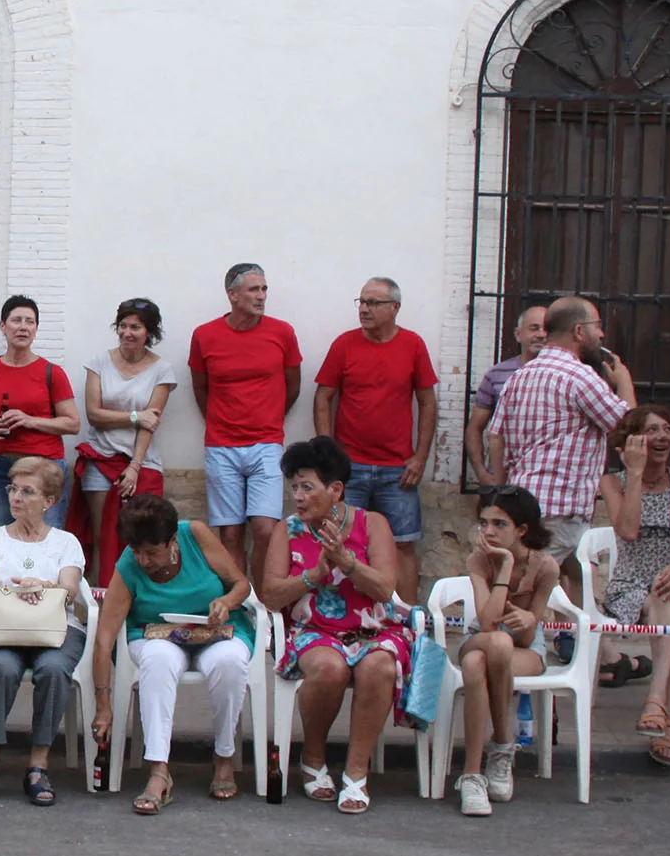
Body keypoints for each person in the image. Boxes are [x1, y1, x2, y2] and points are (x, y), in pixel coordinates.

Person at [492, 296, 638, 680]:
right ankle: (518, 680)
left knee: (573, 572)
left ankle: (602, 656)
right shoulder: (580, 376)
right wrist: (624, 383)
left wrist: (499, 493)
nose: (601, 333)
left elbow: (496, 436)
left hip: (522, 502)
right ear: (579, 331)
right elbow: (628, 427)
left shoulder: (520, 376)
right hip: (558, 509)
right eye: (597, 326)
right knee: (527, 596)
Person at [257, 436, 404, 815]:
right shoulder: (286, 531)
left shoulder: (373, 524)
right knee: (328, 667)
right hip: (314, 632)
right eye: (294, 487)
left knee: (380, 666)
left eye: (308, 487)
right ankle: (314, 754)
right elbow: (271, 594)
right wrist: (313, 576)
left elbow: (386, 588)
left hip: (372, 630)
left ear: (335, 489)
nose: (299, 497)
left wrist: (347, 561)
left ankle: (356, 771)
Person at [91, 492, 254, 814]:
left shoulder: (195, 534)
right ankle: (158, 770)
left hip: (216, 631)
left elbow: (241, 584)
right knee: (158, 660)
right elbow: (104, 638)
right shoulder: (128, 565)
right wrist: (103, 706)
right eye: (137, 551)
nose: (143, 561)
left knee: (230, 662)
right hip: (155, 635)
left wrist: (227, 603)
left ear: (172, 540)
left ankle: (224, 756)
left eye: (152, 552)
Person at [0, 457, 88, 807]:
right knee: (2, 666)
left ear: (49, 501)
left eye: (27, 491)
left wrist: (42, 585)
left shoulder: (66, 542)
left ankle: (38, 764)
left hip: (56, 628)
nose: (16, 497)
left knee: (53, 668)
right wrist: (22, 589)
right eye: (13, 489)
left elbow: (70, 590)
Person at [312, 278, 437, 606]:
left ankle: (409, 619)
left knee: (402, 545)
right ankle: (339, 614)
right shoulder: (345, 345)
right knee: (338, 541)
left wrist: (420, 457)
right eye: (361, 301)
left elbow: (427, 402)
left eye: (373, 303)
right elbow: (324, 396)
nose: (364, 309)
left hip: (398, 469)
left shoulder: (413, 345)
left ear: (394, 308)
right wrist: (327, 451)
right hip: (349, 468)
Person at [598, 406, 670, 769]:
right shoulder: (613, 482)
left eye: (666, 429)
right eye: (651, 431)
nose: (662, 437)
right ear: (632, 441)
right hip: (631, 582)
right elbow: (628, 531)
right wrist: (634, 472)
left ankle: (656, 706)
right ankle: (666, 716)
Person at [190, 264, 303, 574]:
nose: (262, 296)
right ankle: (241, 602)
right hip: (221, 445)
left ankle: (264, 605)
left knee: (267, 530)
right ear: (233, 294)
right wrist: (219, 421)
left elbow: (294, 385)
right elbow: (201, 388)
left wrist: (270, 419)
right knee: (230, 535)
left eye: (264, 289)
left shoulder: (282, 332)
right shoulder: (205, 335)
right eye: (254, 289)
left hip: (266, 443)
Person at [454, 487, 560, 815]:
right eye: (484, 523)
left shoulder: (546, 567)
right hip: (481, 637)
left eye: (499, 524)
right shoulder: (478, 560)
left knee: (477, 666)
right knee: (495, 642)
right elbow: (487, 623)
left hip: (524, 647)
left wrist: (529, 617)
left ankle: (472, 775)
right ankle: (502, 748)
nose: (488, 531)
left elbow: (527, 639)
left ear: (522, 530)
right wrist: (504, 568)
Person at [75, 298, 179, 582]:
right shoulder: (99, 362)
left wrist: (134, 466)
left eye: (136, 326)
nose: (127, 332)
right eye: (123, 325)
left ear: (149, 332)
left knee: (144, 537)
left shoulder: (161, 370)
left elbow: (151, 423)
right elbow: (94, 414)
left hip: (141, 462)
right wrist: (135, 417)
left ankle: (139, 602)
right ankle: (99, 603)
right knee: (101, 536)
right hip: (100, 458)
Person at [0, 295, 79, 531]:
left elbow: (72, 423)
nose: (23, 327)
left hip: (44, 468)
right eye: (16, 320)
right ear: (3, 327)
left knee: (46, 538)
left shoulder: (51, 372)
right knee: (5, 539)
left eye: (30, 321)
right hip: (0, 468)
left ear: (36, 328)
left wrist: (29, 421)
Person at [466, 303, 548, 489]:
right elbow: (475, 428)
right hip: (504, 481)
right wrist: (482, 474)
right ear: (518, 334)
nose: (542, 335)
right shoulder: (497, 374)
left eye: (547, 329)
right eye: (534, 328)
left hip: (547, 482)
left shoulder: (568, 375)